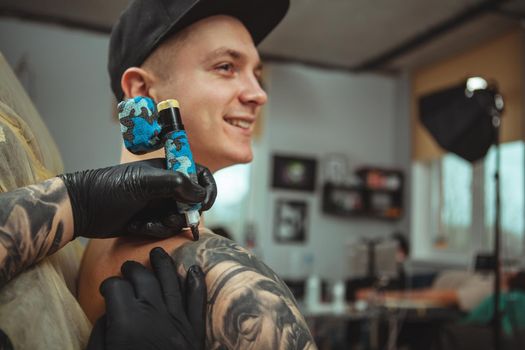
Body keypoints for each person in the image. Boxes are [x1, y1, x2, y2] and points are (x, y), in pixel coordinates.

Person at [79, 0, 318, 348]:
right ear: (142, 91)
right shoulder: (239, 285)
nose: (259, 94)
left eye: (258, 75)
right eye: (226, 67)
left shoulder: (95, 242)